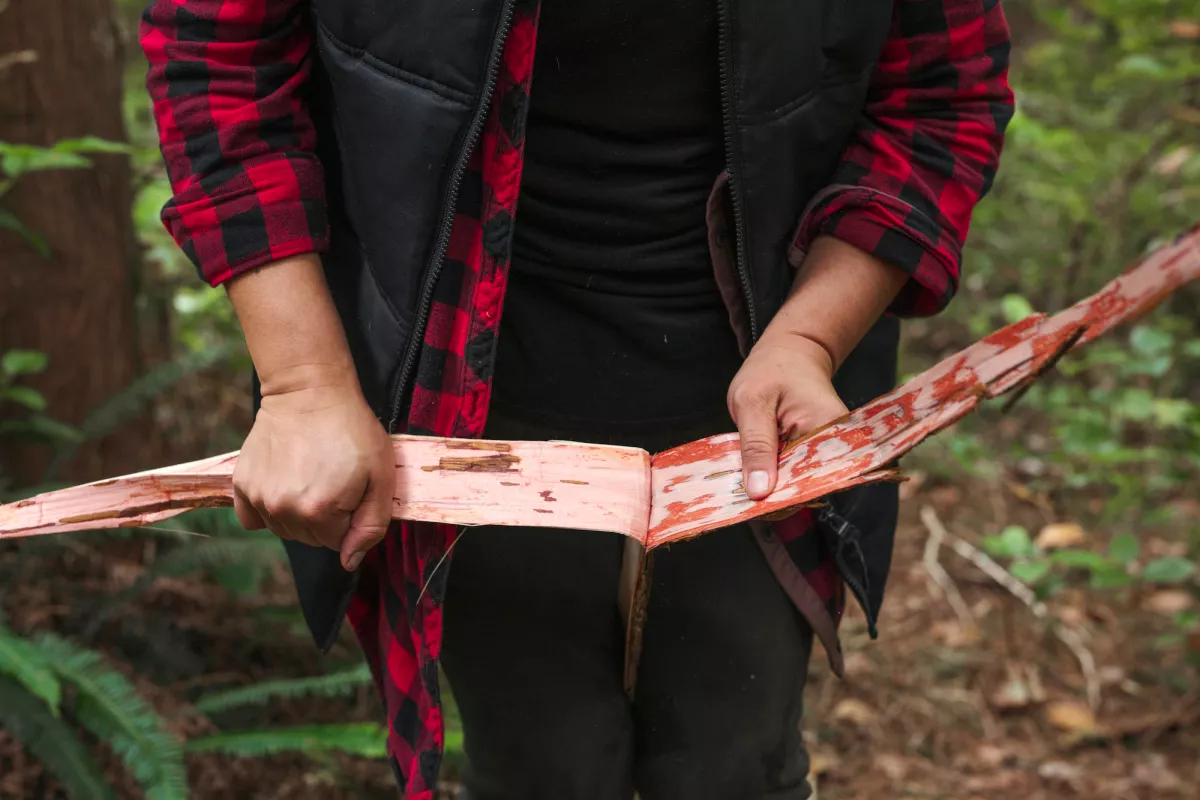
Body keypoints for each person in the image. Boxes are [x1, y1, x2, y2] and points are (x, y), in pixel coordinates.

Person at [141, 0, 1013, 797]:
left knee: (734, 763)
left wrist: (811, 336)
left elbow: (941, 97)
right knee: (540, 764)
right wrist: (303, 384)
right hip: (462, 400)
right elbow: (218, 57)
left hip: (760, 416)